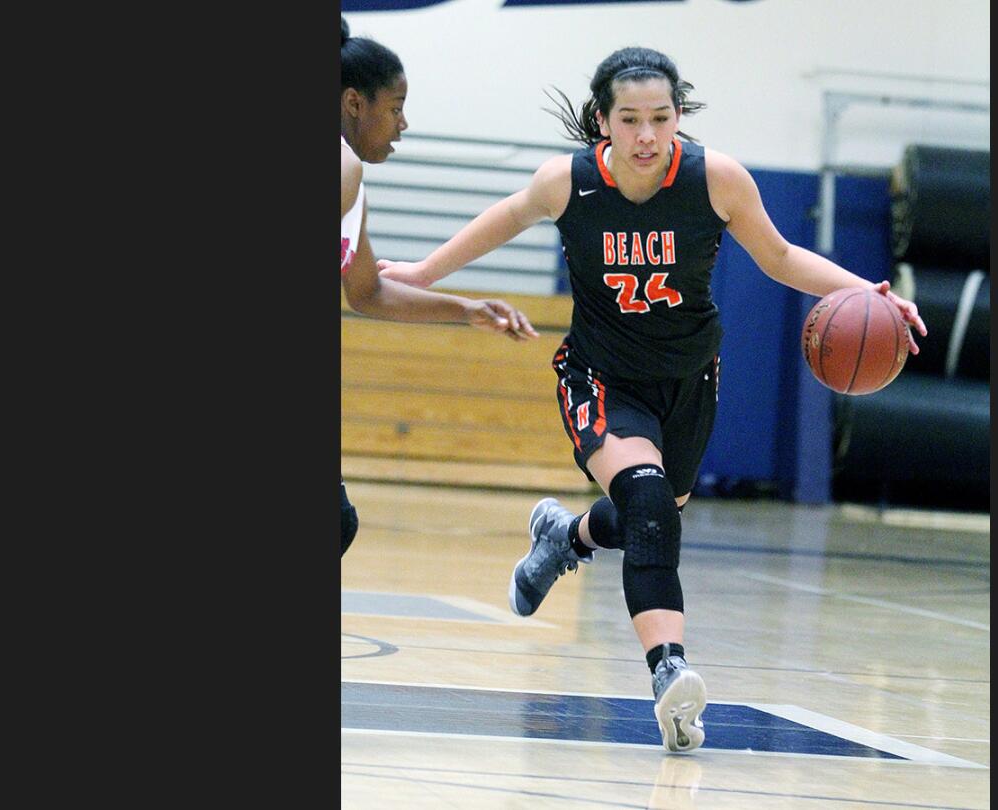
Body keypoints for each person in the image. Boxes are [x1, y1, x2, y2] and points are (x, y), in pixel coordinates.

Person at [377, 46, 927, 751]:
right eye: (629, 119)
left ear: (678, 118)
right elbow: (504, 219)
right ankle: (670, 674)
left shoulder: (715, 180)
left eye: (661, 118)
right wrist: (421, 272)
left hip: (689, 382)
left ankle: (565, 537)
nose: (646, 135)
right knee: (646, 504)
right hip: (600, 375)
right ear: (602, 121)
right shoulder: (567, 184)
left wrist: (867, 294)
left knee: (652, 514)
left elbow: (783, 258)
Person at [340, 18, 539, 557]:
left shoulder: (351, 180)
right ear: (356, 103)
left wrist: (464, 309)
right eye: (396, 106)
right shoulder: (343, 166)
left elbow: (367, 293)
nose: (403, 123)